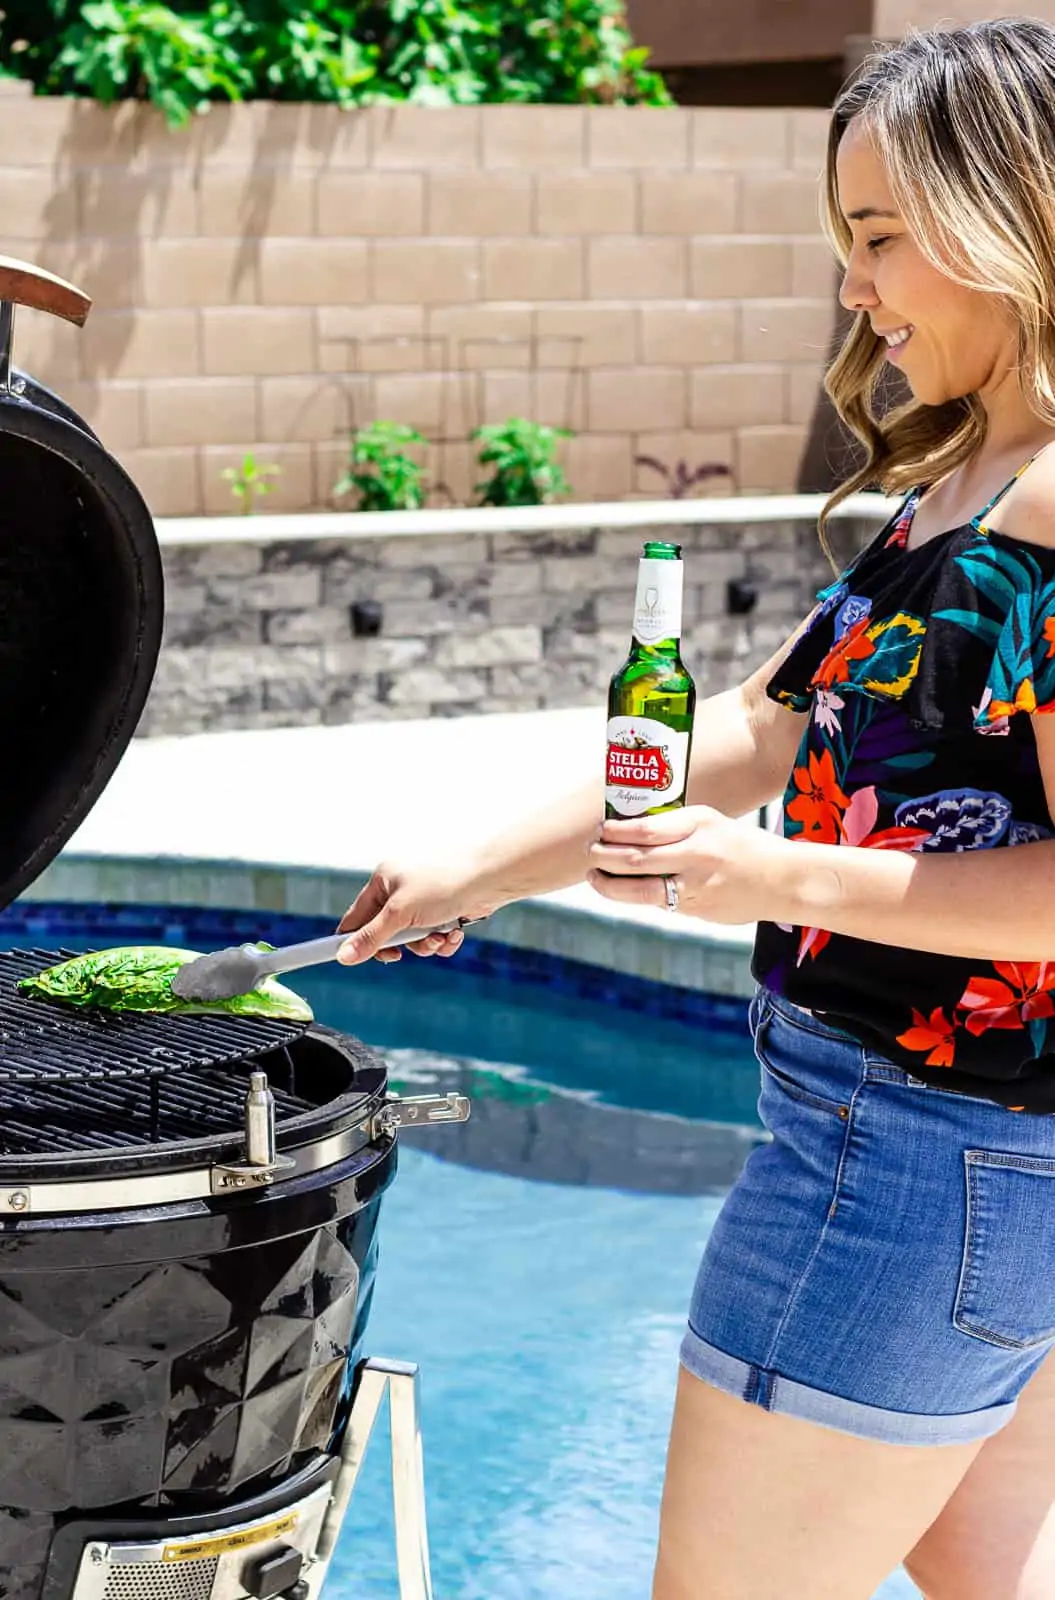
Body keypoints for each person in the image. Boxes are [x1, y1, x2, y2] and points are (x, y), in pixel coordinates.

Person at [336, 20, 1055, 1598]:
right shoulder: (963, 485)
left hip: (905, 1159)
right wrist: (479, 863)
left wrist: (778, 878)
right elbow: (753, 724)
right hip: (973, 1163)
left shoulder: (1049, 503)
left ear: (1008, 211)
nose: (852, 288)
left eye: (879, 236)